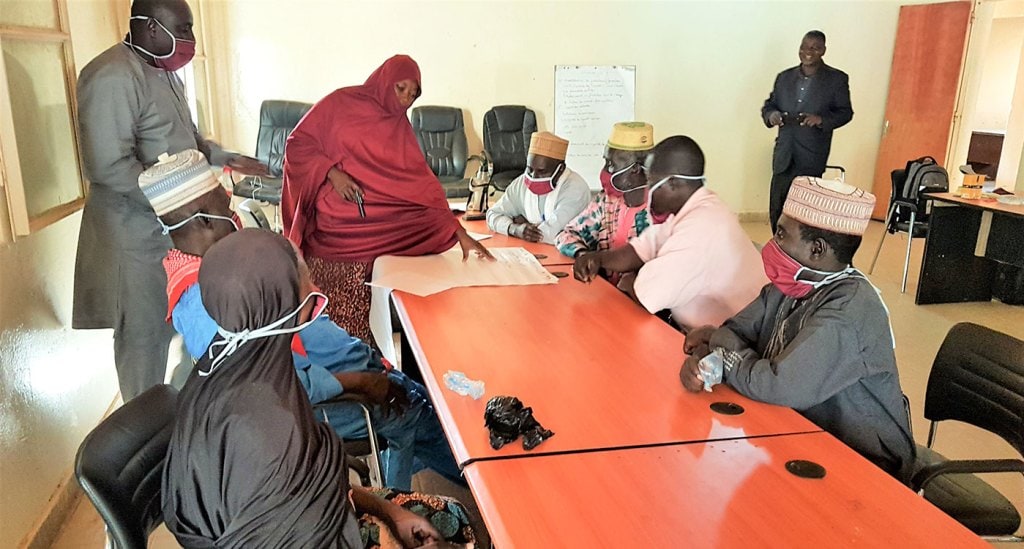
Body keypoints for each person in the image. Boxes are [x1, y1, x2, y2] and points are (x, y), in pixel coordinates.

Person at [140, 151, 463, 491]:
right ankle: (443, 495)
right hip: (335, 403)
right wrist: (367, 384)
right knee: (428, 417)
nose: (234, 214)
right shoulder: (202, 304)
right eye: (226, 207)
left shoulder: (219, 270)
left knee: (438, 406)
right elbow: (278, 386)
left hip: (355, 377)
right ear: (204, 221)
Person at [162, 229, 475, 548]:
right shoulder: (271, 431)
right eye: (307, 290)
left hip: (310, 521)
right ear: (278, 308)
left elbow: (321, 496)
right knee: (456, 523)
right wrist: (390, 537)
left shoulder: (230, 371)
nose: (317, 292)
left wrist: (391, 513)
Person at [72, 0, 266, 400]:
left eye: (192, 28)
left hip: (179, 234)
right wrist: (187, 205)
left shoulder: (166, 73)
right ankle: (146, 439)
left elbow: (187, 142)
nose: (191, 40)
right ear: (150, 28)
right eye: (184, 28)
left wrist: (223, 157)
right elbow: (108, 168)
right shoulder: (111, 75)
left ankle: (183, 425)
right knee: (145, 340)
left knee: (191, 323)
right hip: (136, 240)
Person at [680, 176, 915, 483]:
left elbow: (776, 385)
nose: (771, 243)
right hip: (796, 432)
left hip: (861, 463)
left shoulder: (849, 311)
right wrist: (710, 362)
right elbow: (734, 331)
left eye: (781, 234)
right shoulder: (790, 286)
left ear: (817, 249)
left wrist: (721, 349)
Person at [283, 55, 491, 345]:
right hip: (338, 226)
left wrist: (460, 234)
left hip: (379, 223)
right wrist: (332, 173)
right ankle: (338, 354)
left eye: (413, 93)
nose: (406, 98)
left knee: (396, 298)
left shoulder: (399, 127)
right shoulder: (339, 104)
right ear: (384, 81)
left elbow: (421, 183)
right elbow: (297, 144)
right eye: (401, 88)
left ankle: (374, 353)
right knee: (338, 322)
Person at [574, 136, 766, 333]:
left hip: (735, 343)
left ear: (673, 183)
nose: (647, 190)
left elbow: (647, 295)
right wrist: (597, 258)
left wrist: (629, 282)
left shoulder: (702, 228)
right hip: (704, 334)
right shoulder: (693, 209)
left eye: (651, 181)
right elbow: (643, 248)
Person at [762, 30, 853, 232]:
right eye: (804, 46)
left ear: (823, 50)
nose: (808, 52)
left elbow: (845, 113)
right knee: (777, 206)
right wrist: (772, 115)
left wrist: (821, 120)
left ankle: (799, 254)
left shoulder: (836, 79)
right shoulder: (784, 78)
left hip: (811, 154)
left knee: (804, 211)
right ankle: (778, 251)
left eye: (814, 47)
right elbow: (769, 105)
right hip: (784, 153)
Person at [555, 122, 653, 280]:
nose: (604, 171)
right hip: (605, 292)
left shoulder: (658, 208)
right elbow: (566, 235)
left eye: (611, 165)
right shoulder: (606, 201)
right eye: (605, 162)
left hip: (641, 299)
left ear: (634, 169)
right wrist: (585, 256)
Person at [485, 131, 590, 244]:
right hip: (529, 251)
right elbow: (492, 215)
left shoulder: (575, 188)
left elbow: (553, 234)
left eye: (541, 171)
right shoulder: (521, 183)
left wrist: (527, 227)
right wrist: (514, 229)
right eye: (530, 169)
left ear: (560, 169)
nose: (533, 177)